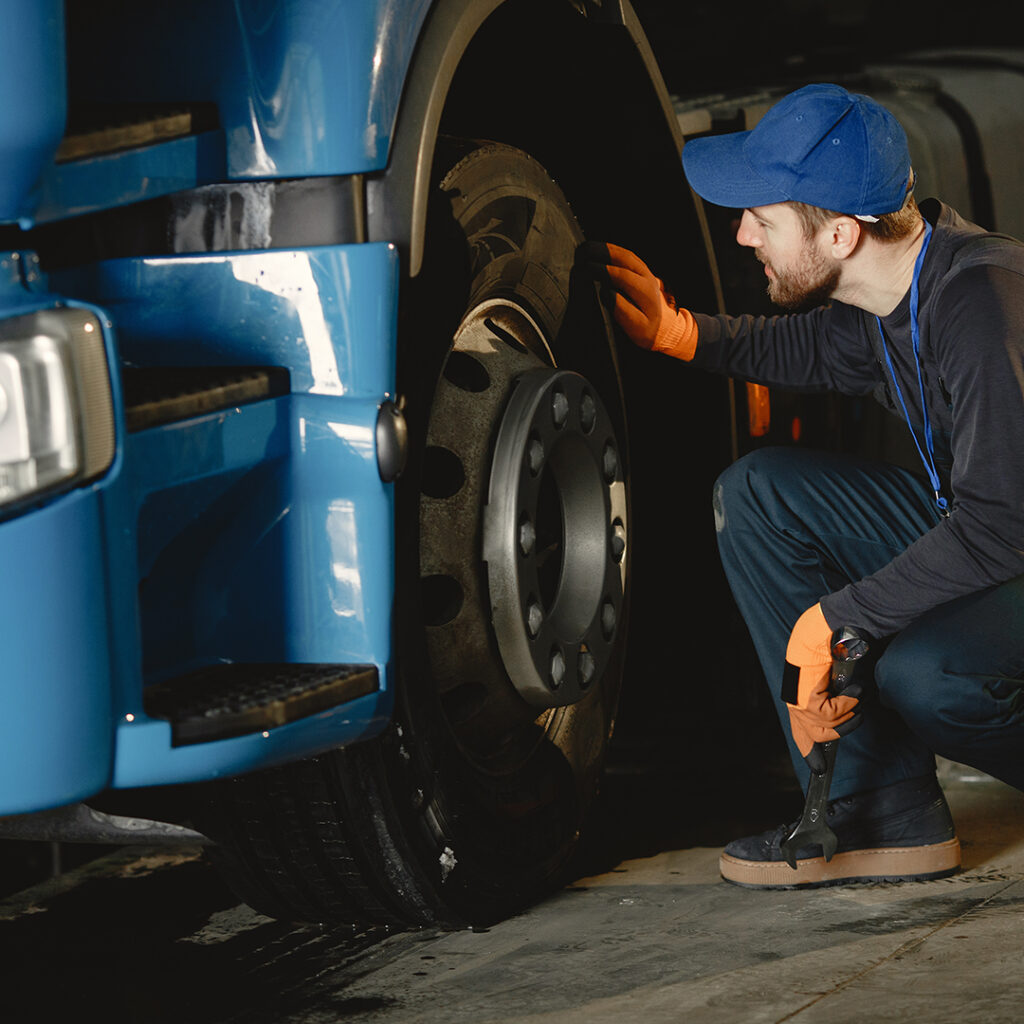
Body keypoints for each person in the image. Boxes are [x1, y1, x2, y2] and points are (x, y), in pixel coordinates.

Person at [583, 82, 1024, 888]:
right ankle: (882, 812)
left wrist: (833, 619)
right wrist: (682, 335)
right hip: (995, 529)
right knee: (760, 495)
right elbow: (806, 351)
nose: (742, 232)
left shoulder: (982, 306)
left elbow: (1001, 526)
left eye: (764, 217)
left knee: (926, 676)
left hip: (1009, 532)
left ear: (842, 234)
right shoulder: (889, 298)